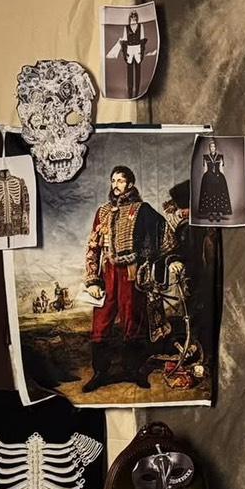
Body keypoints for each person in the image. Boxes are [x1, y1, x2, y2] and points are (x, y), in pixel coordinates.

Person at [82, 165, 164, 391]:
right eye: (113, 181)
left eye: (120, 180)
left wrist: (147, 261)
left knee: (132, 319)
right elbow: (93, 246)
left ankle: (134, 370)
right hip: (107, 272)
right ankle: (100, 372)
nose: (115, 185)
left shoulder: (141, 209)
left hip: (131, 271)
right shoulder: (103, 211)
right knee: (101, 321)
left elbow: (158, 233)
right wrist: (93, 279)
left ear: (130, 183)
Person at [196, 138, 232, 222]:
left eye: (214, 147)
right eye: (211, 147)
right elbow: (205, 169)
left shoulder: (220, 156)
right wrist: (204, 179)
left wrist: (223, 178)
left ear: (215, 148)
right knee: (210, 194)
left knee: (218, 193)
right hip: (208, 177)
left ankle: (218, 213)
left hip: (218, 177)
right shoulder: (205, 157)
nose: (212, 148)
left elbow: (221, 169)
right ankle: (211, 213)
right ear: (209, 148)